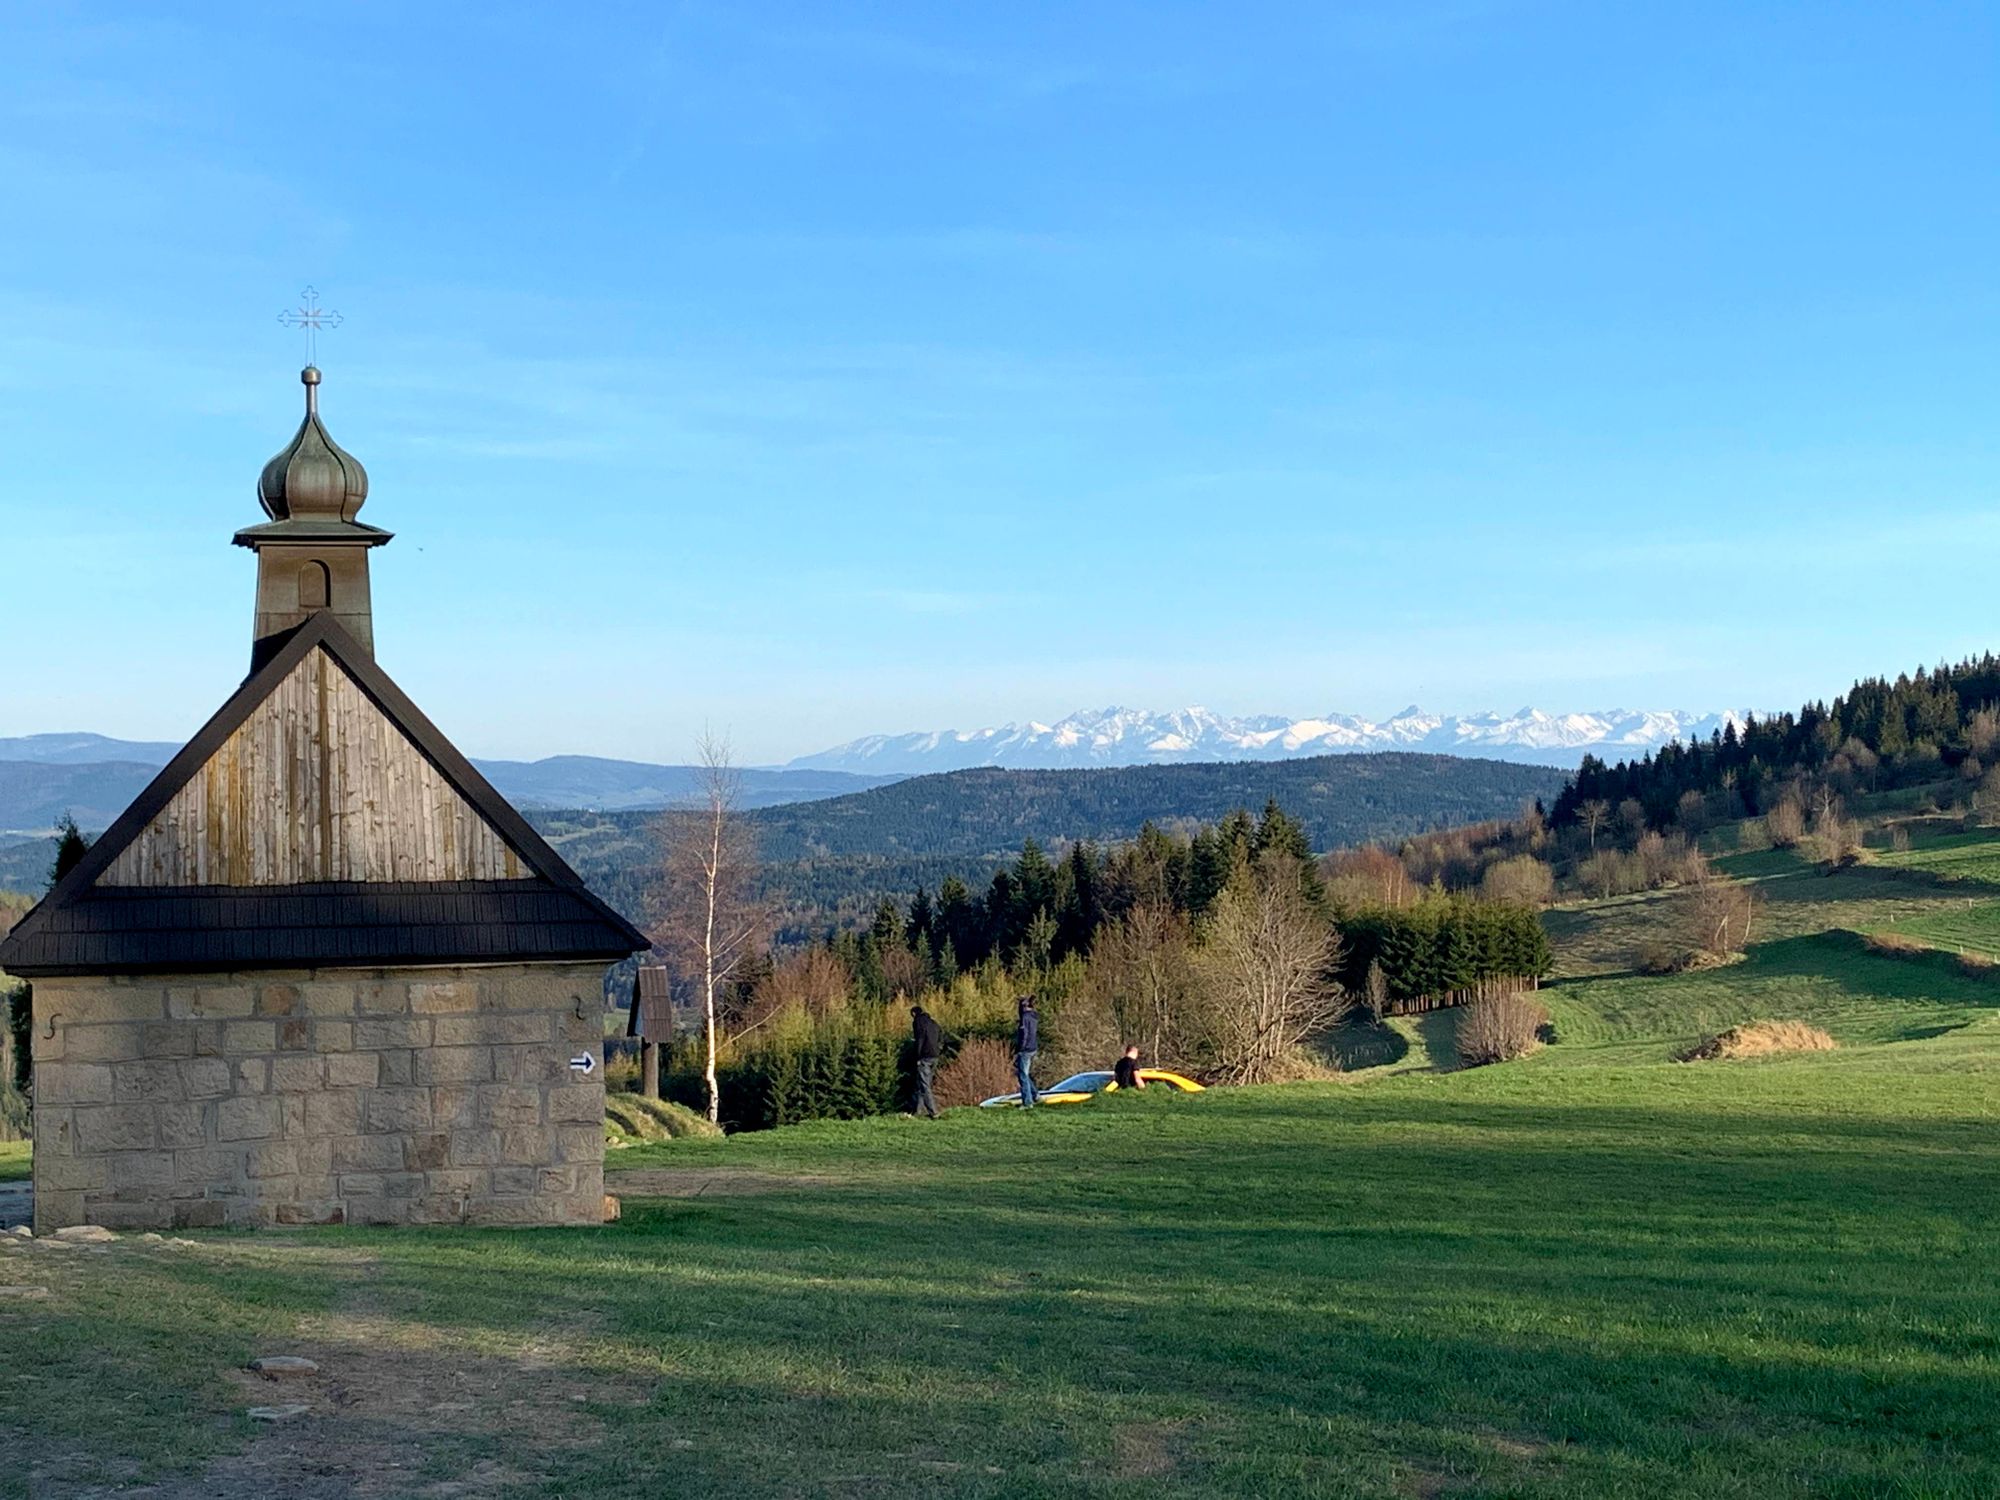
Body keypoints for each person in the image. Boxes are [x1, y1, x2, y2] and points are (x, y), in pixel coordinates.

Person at [910, 1004, 946, 1119]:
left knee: (925, 1086)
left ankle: (933, 1112)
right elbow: (941, 1037)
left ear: (914, 1014)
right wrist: (939, 1049)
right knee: (924, 1083)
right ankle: (918, 1111)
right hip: (935, 1056)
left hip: (924, 1057)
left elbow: (919, 1040)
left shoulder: (918, 1022)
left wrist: (918, 1056)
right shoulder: (934, 1023)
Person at [1014, 996, 1040, 1109]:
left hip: (1025, 1049)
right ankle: (1035, 1094)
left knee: (1022, 1076)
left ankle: (1028, 1102)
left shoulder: (1025, 1018)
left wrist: (1020, 1048)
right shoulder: (1034, 1017)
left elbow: (1024, 1035)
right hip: (1033, 1047)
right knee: (1023, 1072)